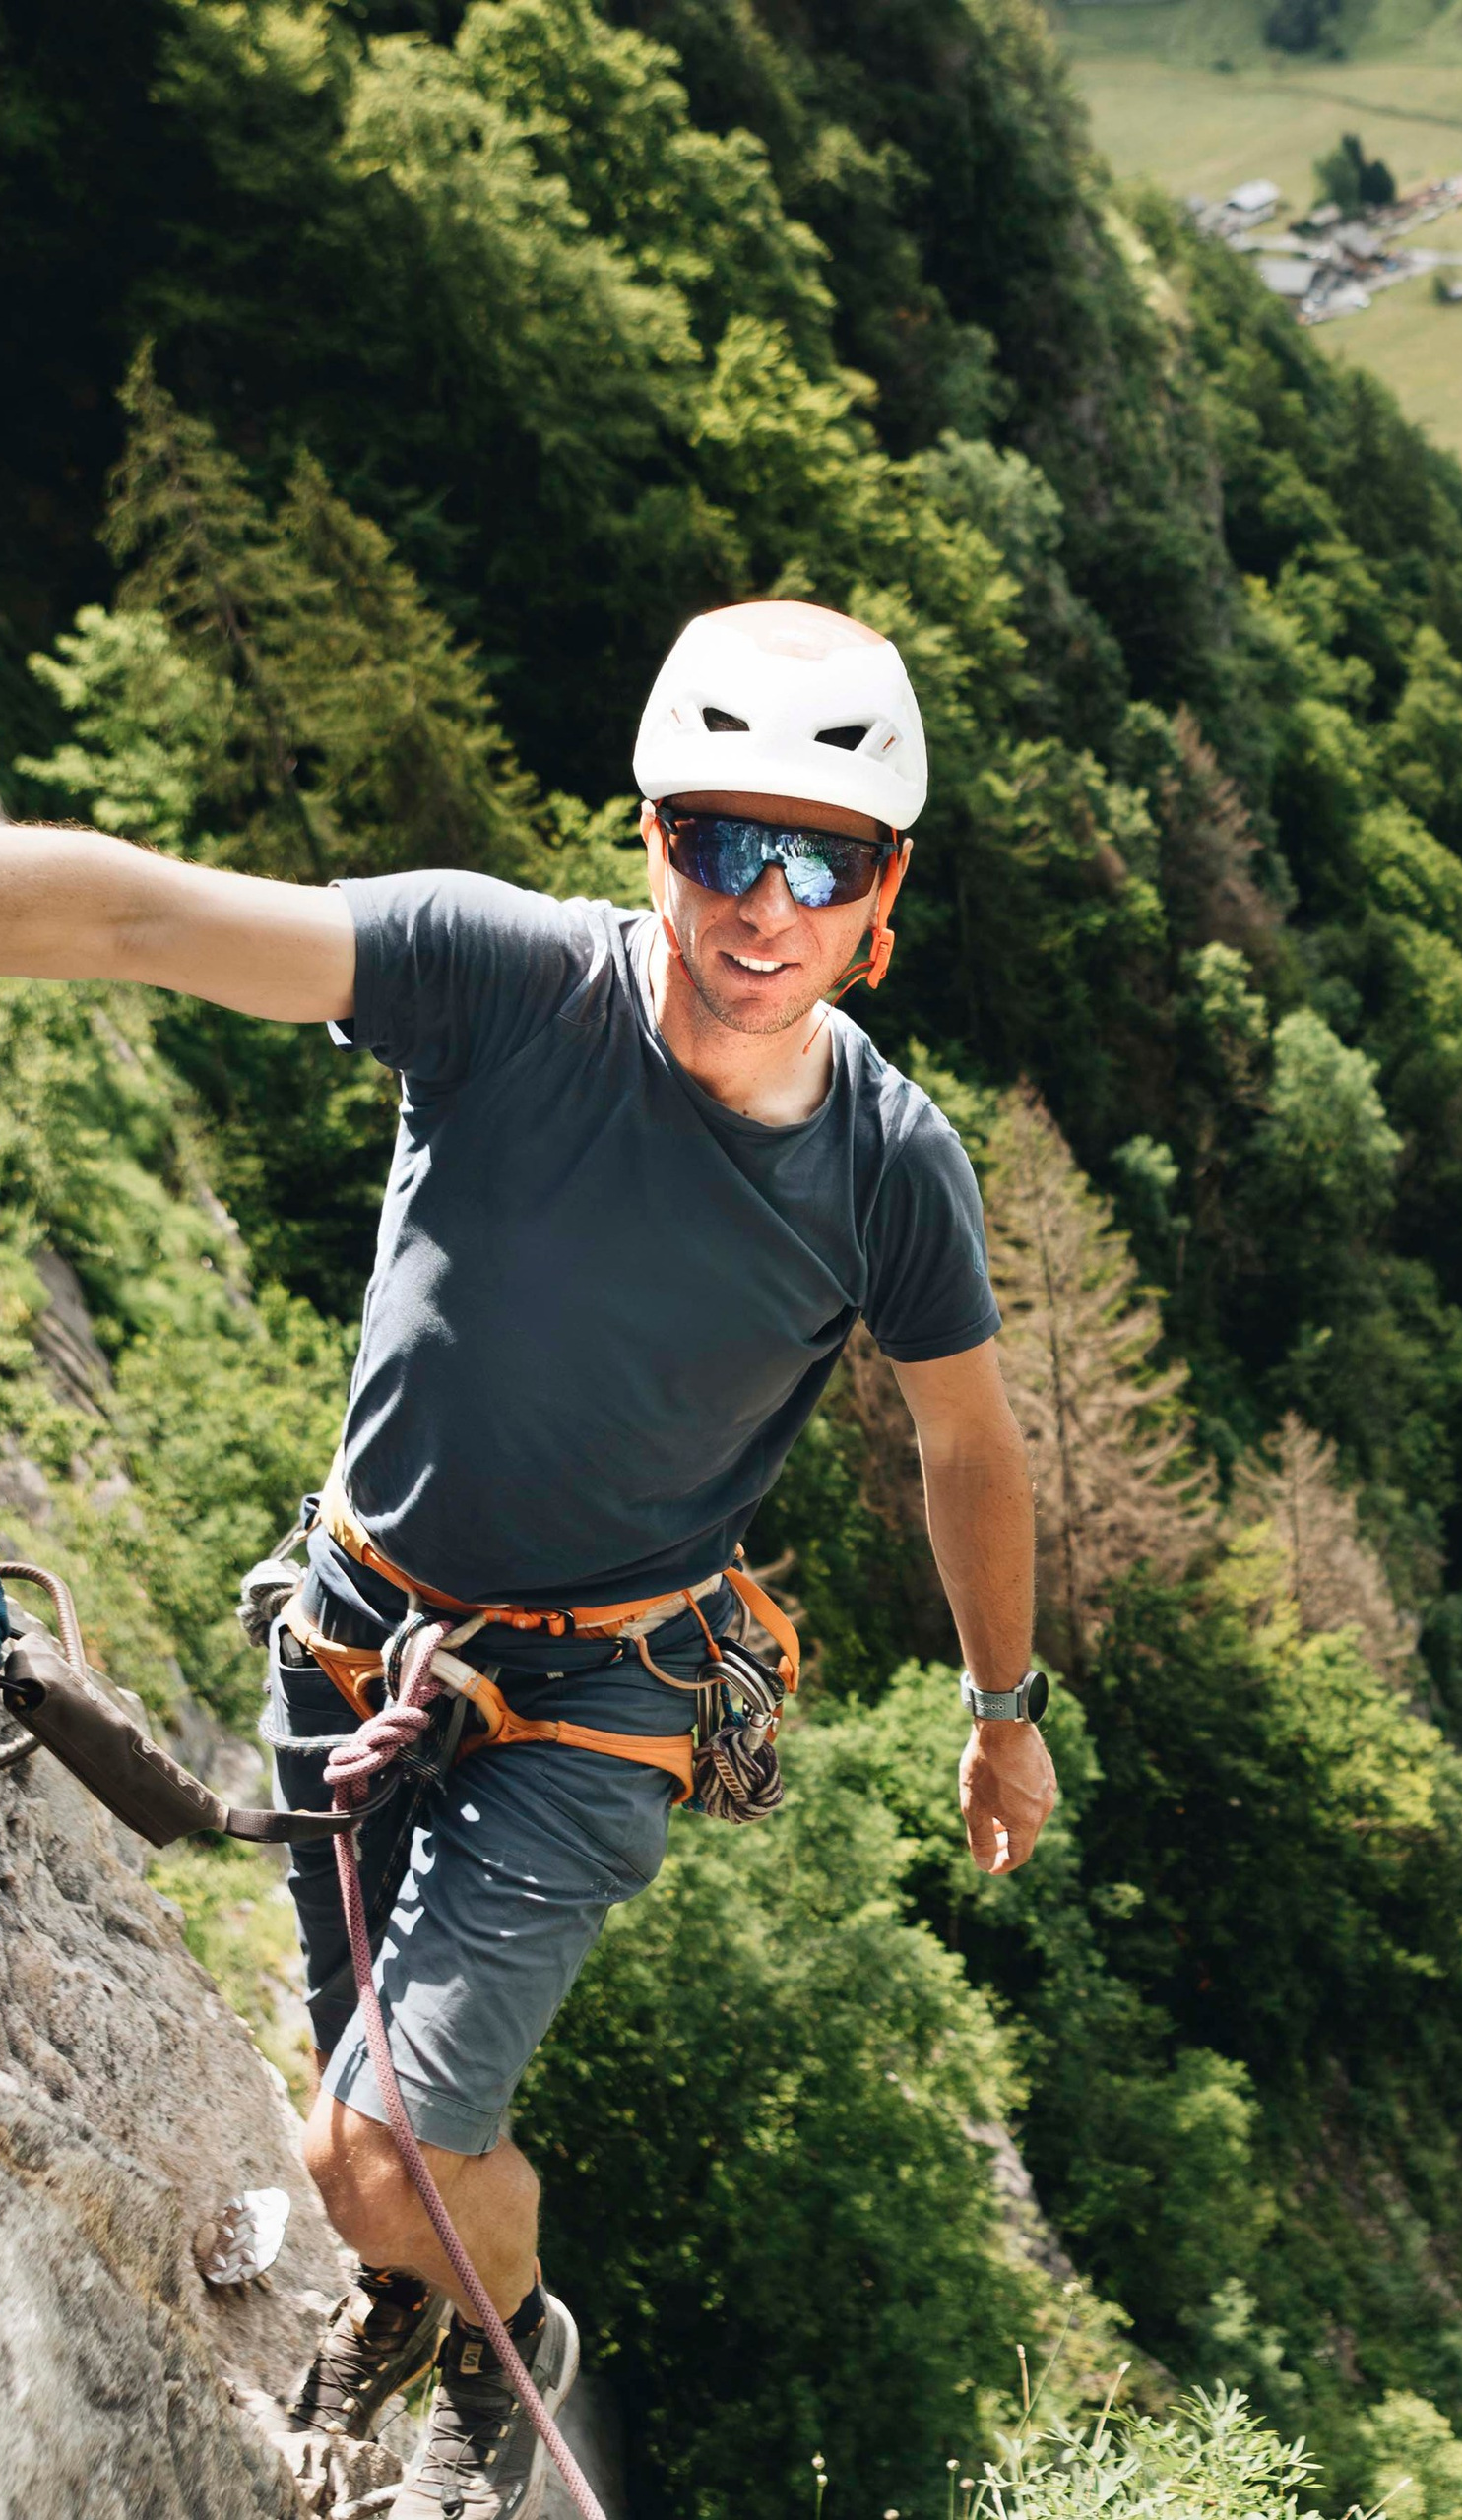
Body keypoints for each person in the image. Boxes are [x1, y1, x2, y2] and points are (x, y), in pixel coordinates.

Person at [1, 599, 1056, 2520]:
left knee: (371, 2141)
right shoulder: (496, 977)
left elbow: (968, 1443)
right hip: (349, 1638)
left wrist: (1004, 1707)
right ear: (652, 839)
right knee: (367, 2119)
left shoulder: (891, 1171)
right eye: (720, 842)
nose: (765, 905)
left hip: (601, 1690)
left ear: (882, 892)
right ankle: (426, 2297)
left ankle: (507, 2331)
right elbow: (148, 918)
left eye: (820, 861)